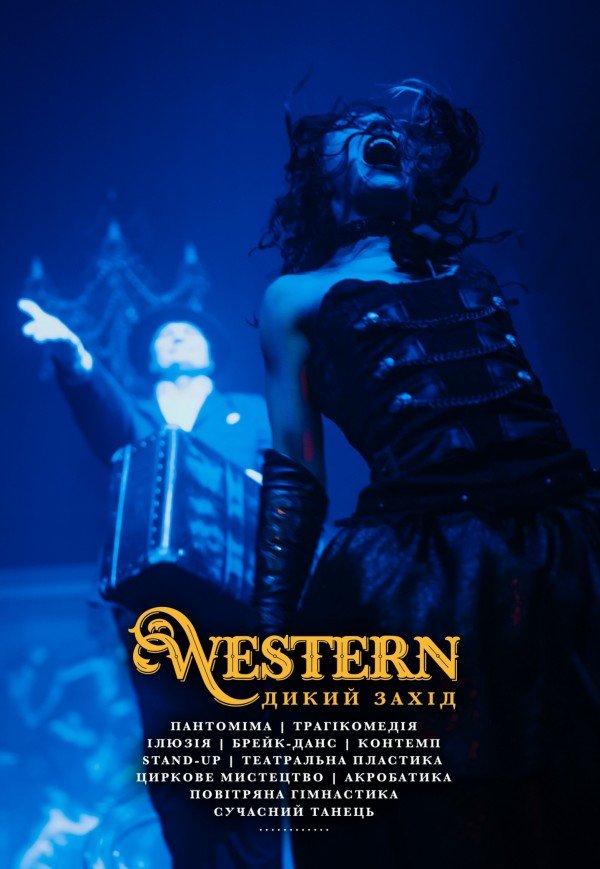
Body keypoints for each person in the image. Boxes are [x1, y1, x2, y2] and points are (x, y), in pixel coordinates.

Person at [253, 82, 600, 868]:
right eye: (354, 128)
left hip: (564, 545)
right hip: (434, 575)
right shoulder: (295, 298)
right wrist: (270, 634)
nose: (380, 128)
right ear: (322, 180)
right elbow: (297, 471)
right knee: (458, 812)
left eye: (388, 126)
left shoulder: (469, 273)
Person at [18, 297, 279, 868]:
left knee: (249, 749)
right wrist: (77, 359)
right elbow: (105, 413)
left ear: (213, 351)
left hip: (241, 601)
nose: (176, 336)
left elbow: (292, 484)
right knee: (175, 752)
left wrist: (260, 489)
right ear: (148, 358)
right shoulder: (135, 414)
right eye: (165, 334)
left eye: (188, 330)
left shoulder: (252, 411)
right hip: (154, 606)